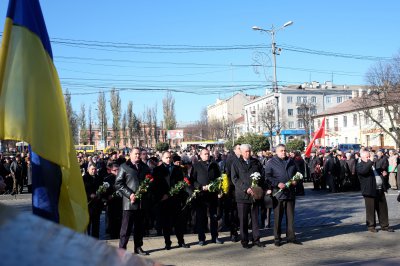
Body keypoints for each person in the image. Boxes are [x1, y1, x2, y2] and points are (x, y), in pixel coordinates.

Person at [115, 147, 151, 255]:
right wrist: (129, 194)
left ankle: (138, 247)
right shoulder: (124, 167)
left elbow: (149, 181)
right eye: (135, 154)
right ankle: (122, 249)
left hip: (141, 203)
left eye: (139, 154)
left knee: (139, 227)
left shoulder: (145, 167)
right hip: (129, 203)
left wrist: (147, 188)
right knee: (125, 229)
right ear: (130, 155)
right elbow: (118, 183)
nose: (138, 156)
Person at [265, 144, 301, 246]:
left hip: (290, 193)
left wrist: (296, 181)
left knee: (290, 217)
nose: (284, 152)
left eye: (285, 150)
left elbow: (297, 173)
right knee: (278, 217)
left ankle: (291, 237)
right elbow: (267, 177)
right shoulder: (271, 162)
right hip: (278, 194)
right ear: (276, 152)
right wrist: (277, 183)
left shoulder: (291, 161)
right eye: (281, 151)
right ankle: (277, 238)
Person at [152, 151, 190, 250]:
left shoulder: (177, 169)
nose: (168, 159)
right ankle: (167, 242)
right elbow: (155, 185)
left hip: (175, 199)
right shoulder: (157, 170)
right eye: (166, 157)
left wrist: (181, 196)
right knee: (166, 223)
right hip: (164, 200)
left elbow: (181, 183)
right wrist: (161, 196)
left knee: (178, 222)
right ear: (162, 158)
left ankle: (181, 241)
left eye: (169, 158)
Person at [231, 144, 264, 249]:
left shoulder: (256, 162)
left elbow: (262, 175)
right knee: (243, 220)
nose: (248, 153)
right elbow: (234, 179)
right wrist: (246, 188)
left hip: (254, 195)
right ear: (241, 152)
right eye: (245, 151)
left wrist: (258, 187)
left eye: (249, 151)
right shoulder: (236, 163)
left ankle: (256, 239)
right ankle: (244, 240)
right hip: (242, 195)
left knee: (254, 219)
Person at [190, 148, 223, 246]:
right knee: (201, 218)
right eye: (205, 154)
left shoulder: (214, 165)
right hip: (201, 196)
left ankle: (214, 237)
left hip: (212, 195)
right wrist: (200, 187)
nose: (207, 156)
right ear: (200, 155)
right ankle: (201, 238)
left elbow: (218, 178)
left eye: (208, 154)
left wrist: (218, 189)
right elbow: (192, 180)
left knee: (214, 217)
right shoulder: (196, 166)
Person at [356, 150, 394, 233]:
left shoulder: (372, 164)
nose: (369, 158)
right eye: (367, 157)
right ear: (362, 157)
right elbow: (364, 171)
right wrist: (370, 161)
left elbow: (377, 172)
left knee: (383, 209)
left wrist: (382, 172)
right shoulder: (360, 165)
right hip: (369, 191)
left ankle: (385, 225)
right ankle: (371, 226)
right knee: (370, 209)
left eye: (369, 156)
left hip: (379, 189)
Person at [83, 163, 103, 238]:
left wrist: (100, 194)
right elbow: (82, 190)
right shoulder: (84, 178)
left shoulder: (99, 178)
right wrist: (89, 195)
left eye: (95, 169)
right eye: (92, 169)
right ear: (88, 169)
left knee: (96, 224)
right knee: (87, 223)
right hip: (88, 204)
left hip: (97, 205)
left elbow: (102, 188)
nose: (94, 171)